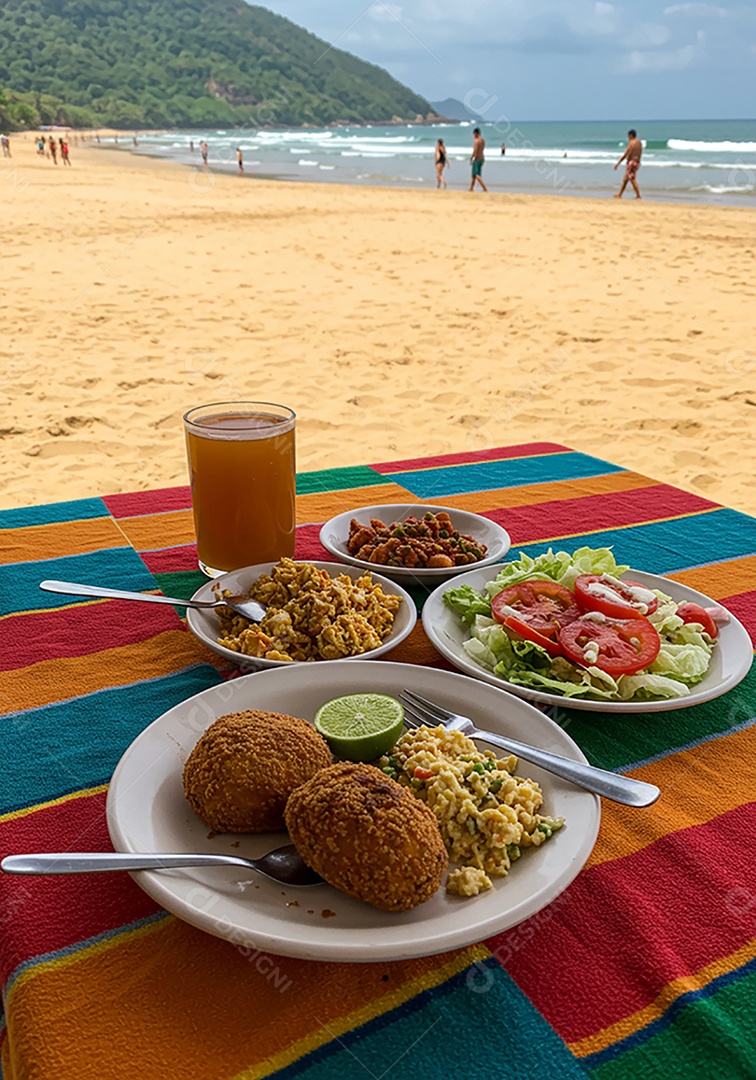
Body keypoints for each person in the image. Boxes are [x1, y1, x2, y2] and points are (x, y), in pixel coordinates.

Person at [614, 129, 642, 199]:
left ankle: (638, 195)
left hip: (631, 162)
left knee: (632, 179)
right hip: (637, 162)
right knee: (625, 179)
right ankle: (620, 194)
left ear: (630, 135)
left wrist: (618, 163)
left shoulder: (631, 142)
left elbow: (626, 154)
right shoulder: (639, 142)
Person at [470, 128, 488, 192]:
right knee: (474, 175)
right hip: (482, 158)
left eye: (474, 134)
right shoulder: (483, 140)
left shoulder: (476, 141)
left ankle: (484, 188)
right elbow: (482, 149)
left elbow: (475, 151)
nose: (473, 136)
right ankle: (471, 188)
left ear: (476, 133)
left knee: (477, 175)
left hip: (477, 159)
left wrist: (471, 158)